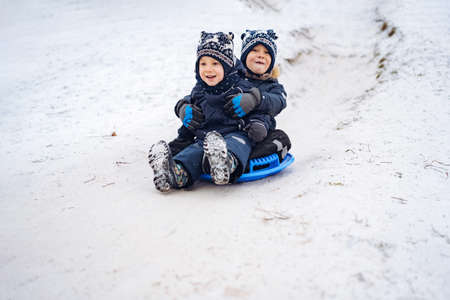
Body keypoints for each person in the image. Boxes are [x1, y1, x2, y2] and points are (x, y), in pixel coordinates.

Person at [148, 31, 256, 192]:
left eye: (215, 64)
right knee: (193, 153)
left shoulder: (241, 87)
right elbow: (190, 114)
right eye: (203, 64)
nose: (208, 69)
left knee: (236, 145)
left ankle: (224, 163)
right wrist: (182, 132)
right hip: (206, 139)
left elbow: (260, 110)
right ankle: (172, 173)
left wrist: (257, 120)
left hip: (236, 133)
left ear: (227, 67)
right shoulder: (199, 91)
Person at [169, 29, 287, 159]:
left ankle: (239, 157)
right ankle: (181, 157)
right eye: (254, 50)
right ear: (244, 55)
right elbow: (205, 94)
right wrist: (182, 106)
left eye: (267, 52)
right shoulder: (231, 78)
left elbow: (279, 100)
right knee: (195, 125)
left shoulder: (271, 85)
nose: (261, 55)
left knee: (280, 138)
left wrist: (256, 99)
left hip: (256, 132)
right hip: (225, 131)